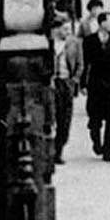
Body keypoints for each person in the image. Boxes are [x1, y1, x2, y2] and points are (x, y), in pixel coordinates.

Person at [82, 11, 110, 160]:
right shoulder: (89, 41)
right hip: (96, 83)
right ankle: (96, 140)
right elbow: (85, 63)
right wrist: (82, 84)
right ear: (102, 23)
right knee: (95, 117)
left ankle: (108, 150)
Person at [49, 14, 84, 164]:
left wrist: (74, 80)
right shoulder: (49, 43)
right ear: (56, 30)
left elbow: (80, 64)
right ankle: (50, 150)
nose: (68, 32)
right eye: (64, 29)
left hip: (66, 83)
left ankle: (59, 150)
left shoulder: (74, 43)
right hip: (52, 83)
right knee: (51, 117)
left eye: (69, 29)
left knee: (65, 118)